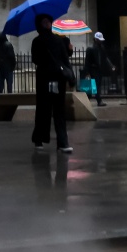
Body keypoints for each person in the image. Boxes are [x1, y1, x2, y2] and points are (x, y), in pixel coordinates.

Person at [30, 13, 73, 154]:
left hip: (49, 78)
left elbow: (64, 58)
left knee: (52, 110)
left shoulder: (41, 41)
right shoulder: (49, 41)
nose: (47, 24)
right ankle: (53, 141)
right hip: (51, 79)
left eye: (48, 21)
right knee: (48, 110)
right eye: (45, 22)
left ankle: (55, 141)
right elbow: (63, 59)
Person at [83, 34, 114, 107]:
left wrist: (111, 65)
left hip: (98, 69)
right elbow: (87, 61)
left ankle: (95, 100)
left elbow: (105, 58)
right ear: (95, 39)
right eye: (99, 40)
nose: (100, 41)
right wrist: (87, 72)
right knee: (93, 86)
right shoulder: (90, 49)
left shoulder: (101, 48)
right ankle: (97, 100)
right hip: (92, 69)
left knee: (97, 85)